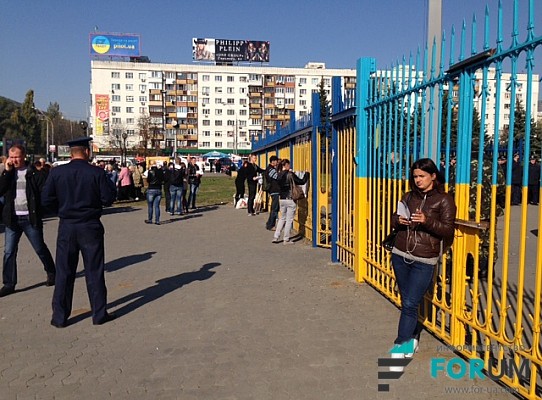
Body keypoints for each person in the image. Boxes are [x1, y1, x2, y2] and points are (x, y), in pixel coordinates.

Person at [41, 137, 117, 327]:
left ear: (71, 152)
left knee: (64, 272)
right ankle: (99, 314)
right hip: (90, 226)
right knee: (94, 271)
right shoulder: (96, 173)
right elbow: (108, 198)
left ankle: (59, 317)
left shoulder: (57, 172)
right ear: (86, 151)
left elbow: (45, 200)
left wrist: (61, 211)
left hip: (66, 226)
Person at [388, 158, 456, 365]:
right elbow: (394, 218)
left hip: (424, 258)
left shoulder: (444, 200)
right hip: (400, 254)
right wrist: (397, 219)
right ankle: (414, 333)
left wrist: (427, 221)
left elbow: (447, 230)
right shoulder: (408, 196)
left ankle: (402, 343)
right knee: (407, 300)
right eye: (415, 176)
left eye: (422, 176)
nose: (417, 180)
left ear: (433, 176)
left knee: (410, 302)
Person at [0, 144, 56, 297]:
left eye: (16, 157)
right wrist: (7, 172)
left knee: (39, 248)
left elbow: (43, 190)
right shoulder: (8, 173)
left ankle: (51, 272)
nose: (13, 160)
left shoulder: (32, 172)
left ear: (23, 156)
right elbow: (1, 189)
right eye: (11, 157)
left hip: (30, 218)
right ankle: (8, 283)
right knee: (9, 251)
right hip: (13, 218)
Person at [272, 159, 310, 244]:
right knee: (289, 220)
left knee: (282, 218)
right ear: (285, 165)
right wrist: (307, 174)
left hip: (282, 199)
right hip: (290, 199)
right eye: (288, 165)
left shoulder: (278, 175)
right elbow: (302, 181)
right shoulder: (290, 174)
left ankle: (276, 237)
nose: (290, 166)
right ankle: (286, 239)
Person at [265, 156, 280, 230]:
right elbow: (278, 177)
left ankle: (269, 223)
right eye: (277, 161)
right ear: (273, 162)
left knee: (274, 208)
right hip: (274, 190)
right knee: (275, 208)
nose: (277, 162)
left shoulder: (269, 169)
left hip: (273, 190)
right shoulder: (271, 170)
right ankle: (271, 225)